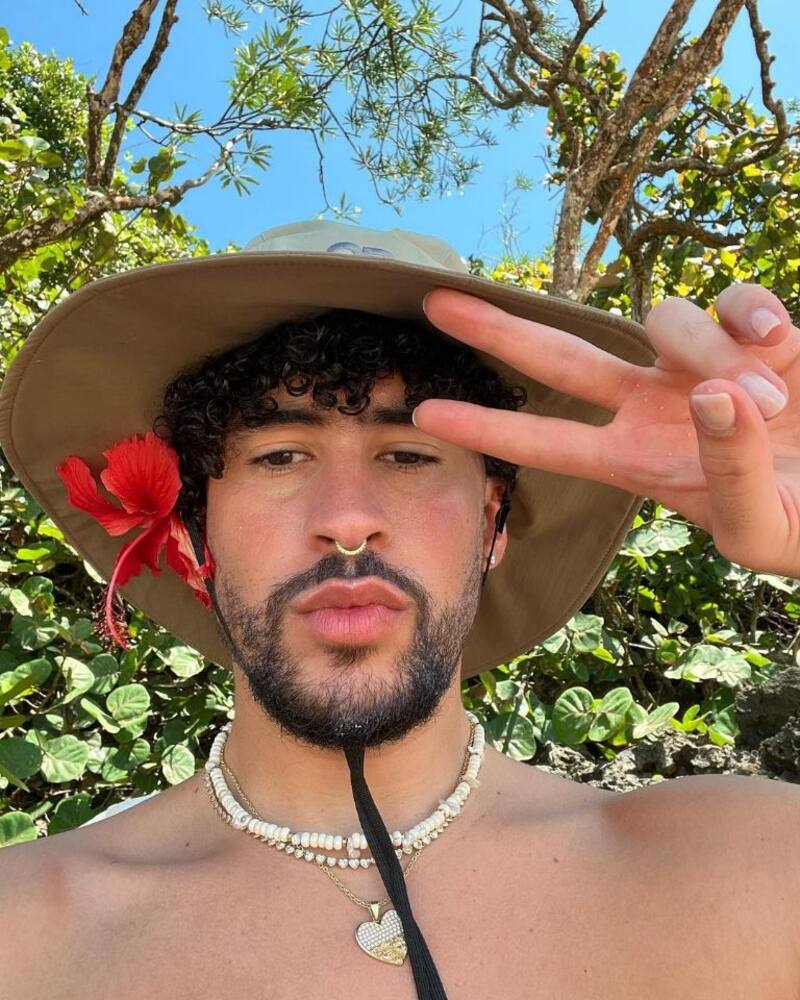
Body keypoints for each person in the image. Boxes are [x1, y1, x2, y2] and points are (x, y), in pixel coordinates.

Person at [1, 218, 799, 999]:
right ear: (191, 534)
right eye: (280, 456)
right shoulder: (25, 934)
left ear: (492, 525)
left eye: (410, 456)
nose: (348, 520)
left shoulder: (753, 873)